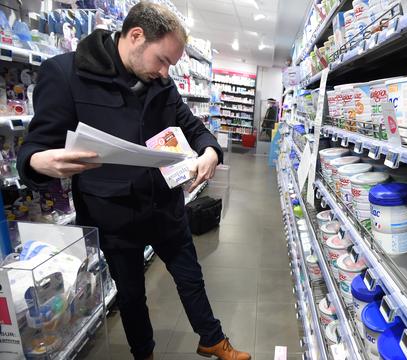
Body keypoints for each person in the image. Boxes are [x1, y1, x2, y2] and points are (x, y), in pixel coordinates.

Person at [16, 3, 251, 360]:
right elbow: (33, 147)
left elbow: (194, 128)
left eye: (171, 64)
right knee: (130, 294)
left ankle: (212, 339)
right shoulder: (65, 74)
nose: (165, 71)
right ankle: (144, 354)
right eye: (162, 60)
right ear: (136, 36)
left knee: (190, 276)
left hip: (165, 206)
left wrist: (211, 152)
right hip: (112, 213)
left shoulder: (162, 82)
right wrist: (38, 161)